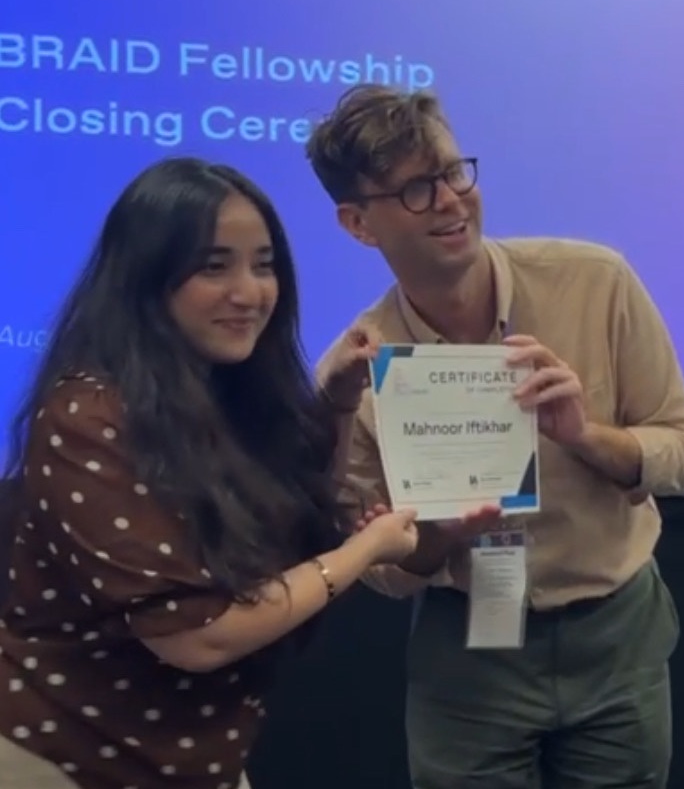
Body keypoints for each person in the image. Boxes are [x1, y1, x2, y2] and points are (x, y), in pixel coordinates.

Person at [307, 84, 684, 789]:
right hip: (469, 646)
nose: (452, 202)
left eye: (455, 173)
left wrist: (586, 436)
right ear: (357, 224)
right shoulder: (363, 370)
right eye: (416, 191)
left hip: (615, 628)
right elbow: (388, 573)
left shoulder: (595, 282)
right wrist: (443, 535)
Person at [0, 158, 419, 789]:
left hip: (195, 754)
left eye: (264, 264)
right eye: (213, 266)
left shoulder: (225, 389)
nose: (250, 292)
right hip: (64, 755)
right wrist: (370, 550)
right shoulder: (89, 414)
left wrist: (333, 404)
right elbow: (199, 636)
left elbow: (295, 543)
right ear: (146, 277)